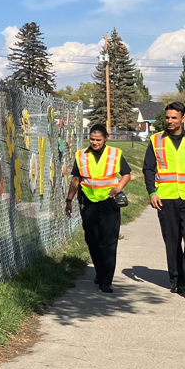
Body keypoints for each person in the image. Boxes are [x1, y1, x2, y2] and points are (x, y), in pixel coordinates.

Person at [143, 101, 185, 299]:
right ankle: (176, 279)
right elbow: (148, 168)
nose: (170, 121)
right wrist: (151, 192)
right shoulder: (156, 141)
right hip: (165, 197)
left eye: (174, 117)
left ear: (183, 118)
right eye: (167, 117)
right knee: (172, 240)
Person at [66, 123, 132, 293]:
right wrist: (69, 200)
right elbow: (76, 179)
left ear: (105, 139)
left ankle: (106, 280)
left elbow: (126, 173)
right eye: (92, 139)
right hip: (88, 202)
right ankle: (100, 270)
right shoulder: (81, 155)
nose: (95, 143)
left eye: (98, 140)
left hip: (109, 202)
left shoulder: (114, 154)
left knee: (108, 241)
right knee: (92, 239)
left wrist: (118, 188)